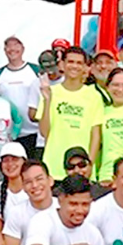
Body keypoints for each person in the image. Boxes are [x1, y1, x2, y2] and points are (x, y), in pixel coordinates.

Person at [38, 47, 105, 178]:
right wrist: (47, 101)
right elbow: (44, 132)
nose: (74, 66)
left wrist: (89, 164)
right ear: (62, 64)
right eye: (71, 62)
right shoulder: (50, 92)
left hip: (81, 168)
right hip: (54, 167)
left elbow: (96, 135)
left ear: (86, 67)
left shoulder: (94, 95)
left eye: (79, 63)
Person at [0, 36, 43, 155]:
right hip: (9, 133)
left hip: (33, 131)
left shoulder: (35, 70)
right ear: (5, 50)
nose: (12, 49)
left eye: (16, 45)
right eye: (8, 46)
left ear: (23, 48)